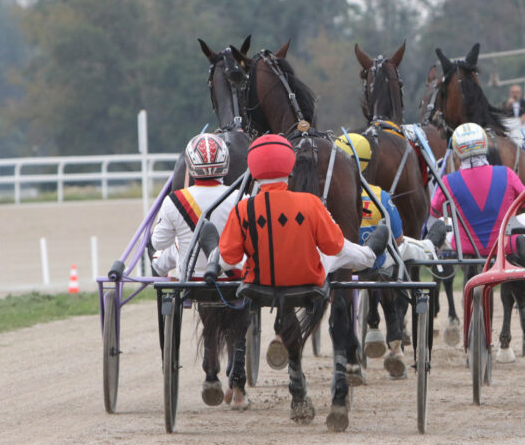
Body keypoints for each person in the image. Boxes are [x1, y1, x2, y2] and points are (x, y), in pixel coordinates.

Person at [218, 134, 389, 421]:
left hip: (258, 286)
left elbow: (229, 258)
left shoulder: (242, 209)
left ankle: (296, 384)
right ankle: (370, 254)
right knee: (345, 254)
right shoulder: (310, 203)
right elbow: (334, 246)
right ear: (290, 169)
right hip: (309, 281)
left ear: (254, 172)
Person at [335, 133, 445, 378]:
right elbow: (398, 240)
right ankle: (431, 245)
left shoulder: (327, 200)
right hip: (377, 262)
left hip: (340, 264)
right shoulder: (381, 197)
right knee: (408, 248)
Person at [150, 133, 248, 410]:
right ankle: (237, 380)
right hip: (233, 280)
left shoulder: (174, 201)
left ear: (191, 167)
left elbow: (158, 242)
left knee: (167, 256)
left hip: (190, 281)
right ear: (225, 165)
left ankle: (210, 374)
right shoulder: (242, 199)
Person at [429, 122, 525, 362]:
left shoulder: (448, 181)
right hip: (502, 246)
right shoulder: (507, 174)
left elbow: (435, 209)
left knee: (443, 227)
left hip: (466, 248)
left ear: (458, 151)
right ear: (484, 146)